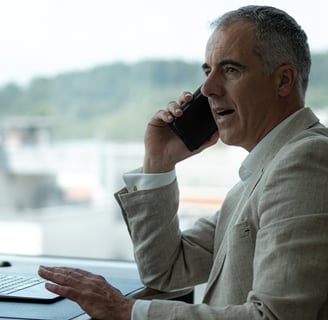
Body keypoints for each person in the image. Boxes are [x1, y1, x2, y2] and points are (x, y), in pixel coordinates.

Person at [38, 5, 328, 320]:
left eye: (230, 70)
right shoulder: (263, 171)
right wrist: (158, 162)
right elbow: (165, 270)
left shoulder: (305, 160)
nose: (208, 89)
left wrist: (126, 311)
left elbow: (275, 317)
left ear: (283, 80)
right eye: (208, 71)